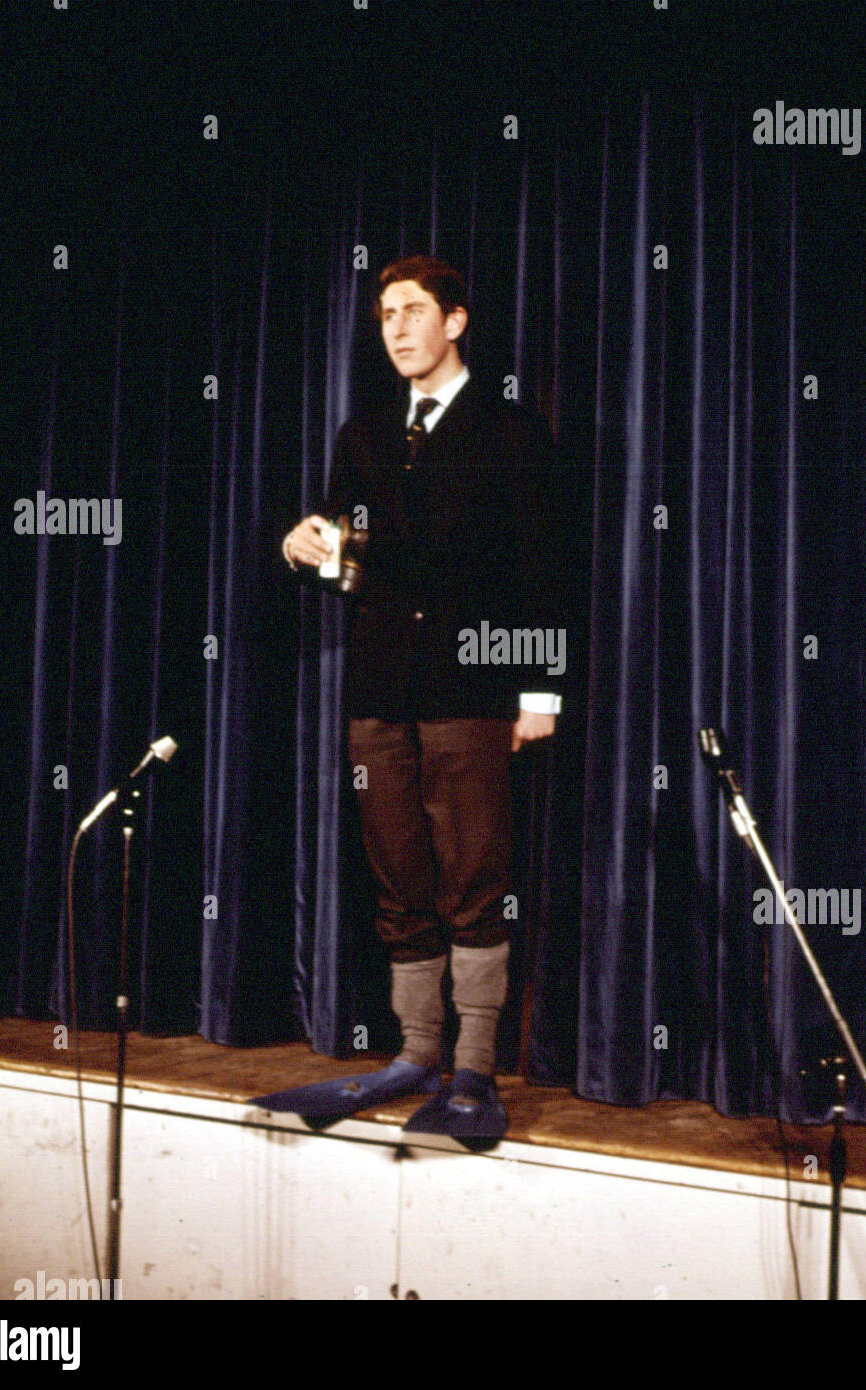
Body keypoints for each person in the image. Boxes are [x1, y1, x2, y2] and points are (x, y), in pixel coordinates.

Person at [271, 255, 566, 1142]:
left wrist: (539, 690)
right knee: (398, 873)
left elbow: (546, 574)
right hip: (380, 688)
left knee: (472, 878)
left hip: (471, 684)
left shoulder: (513, 432)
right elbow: (346, 561)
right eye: (384, 314)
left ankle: (472, 1065)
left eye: (411, 310)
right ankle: (415, 1052)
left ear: (456, 321)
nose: (395, 328)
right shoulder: (363, 437)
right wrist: (305, 546)